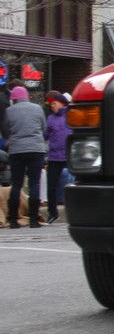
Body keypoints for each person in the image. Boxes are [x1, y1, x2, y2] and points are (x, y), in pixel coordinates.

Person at [2, 86, 47, 228]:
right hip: (36, 148)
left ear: (14, 99)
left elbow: (6, 130)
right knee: (34, 183)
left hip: (16, 150)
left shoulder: (9, 111)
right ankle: (34, 219)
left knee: (16, 184)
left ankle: (14, 220)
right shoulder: (37, 108)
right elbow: (43, 127)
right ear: (27, 96)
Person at [42, 92, 72, 223]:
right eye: (50, 105)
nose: (52, 107)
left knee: (76, 184)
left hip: (69, 154)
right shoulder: (50, 118)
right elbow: (46, 134)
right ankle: (52, 213)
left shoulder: (71, 115)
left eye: (54, 104)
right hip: (54, 156)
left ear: (62, 103)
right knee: (51, 185)